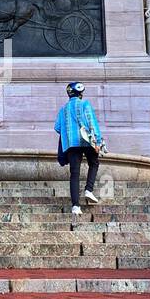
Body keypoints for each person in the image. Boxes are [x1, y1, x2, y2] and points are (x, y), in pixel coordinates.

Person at [55, 82, 104, 216]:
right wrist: (98, 141)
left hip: (71, 143)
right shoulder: (85, 104)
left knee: (74, 173)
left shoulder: (63, 109)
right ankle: (88, 189)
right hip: (87, 140)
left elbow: (57, 128)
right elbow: (91, 122)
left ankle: (76, 206)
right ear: (80, 93)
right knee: (94, 163)